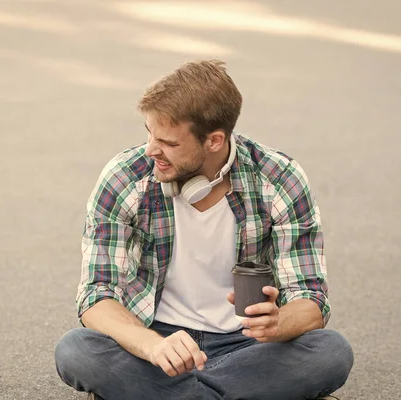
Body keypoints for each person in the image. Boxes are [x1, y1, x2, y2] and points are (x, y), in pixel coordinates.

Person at [54, 60, 354, 400]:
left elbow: (311, 299)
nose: (152, 149)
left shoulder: (279, 178)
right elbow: (97, 294)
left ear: (213, 141)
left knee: (331, 351)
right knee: (77, 350)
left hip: (247, 345)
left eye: (168, 142)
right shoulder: (125, 176)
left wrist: (279, 322)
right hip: (158, 340)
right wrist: (151, 346)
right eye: (149, 133)